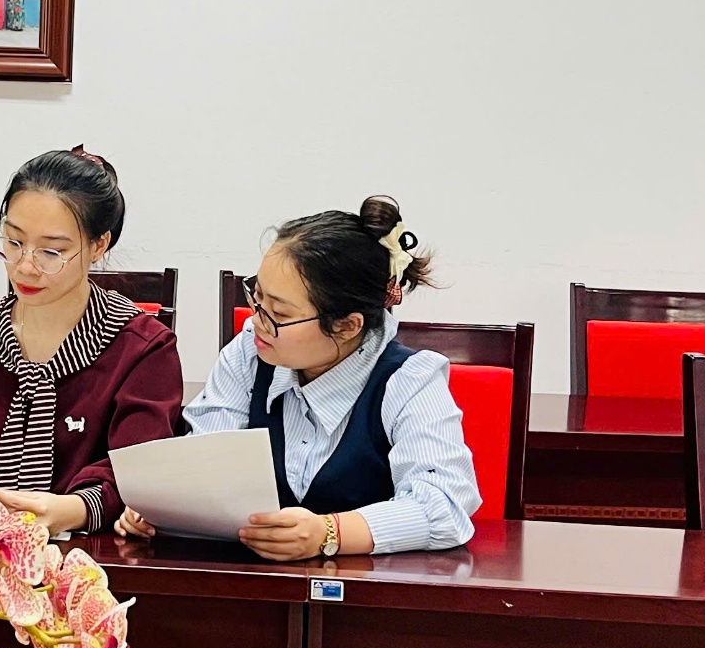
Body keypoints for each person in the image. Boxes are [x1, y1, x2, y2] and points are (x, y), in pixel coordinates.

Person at [117, 198, 482, 559]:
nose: (257, 320)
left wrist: (330, 532)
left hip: (366, 593)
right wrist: (166, 504)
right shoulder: (249, 354)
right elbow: (207, 461)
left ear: (346, 326)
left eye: (278, 312)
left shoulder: (409, 380)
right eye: (257, 297)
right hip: (254, 586)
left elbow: (445, 504)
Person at [0, 148, 183, 534]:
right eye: (13, 242)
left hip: (97, 558)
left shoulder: (142, 348)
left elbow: (138, 471)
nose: (25, 266)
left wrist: (75, 509)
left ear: (98, 245)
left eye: (52, 251)